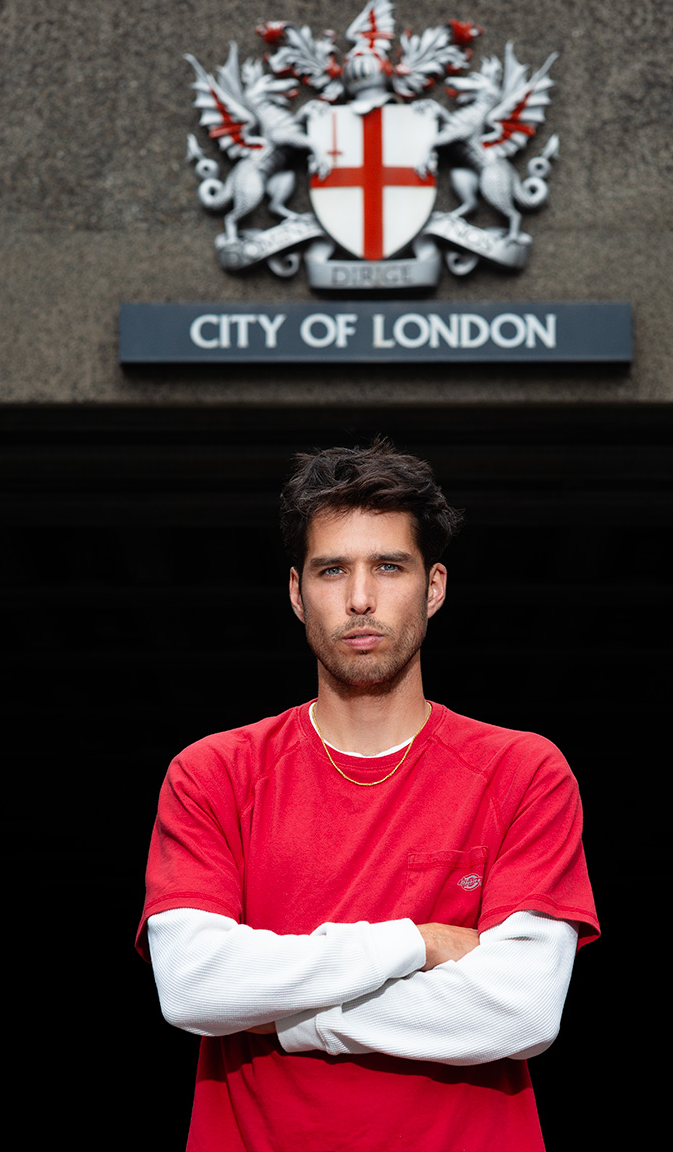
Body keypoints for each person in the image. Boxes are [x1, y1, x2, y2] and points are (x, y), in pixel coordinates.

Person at [137, 438, 599, 1152]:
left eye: (388, 566)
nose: (360, 597)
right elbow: (196, 988)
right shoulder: (212, 773)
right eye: (332, 569)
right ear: (297, 593)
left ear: (434, 587)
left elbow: (519, 1011)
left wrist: (284, 1014)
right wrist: (415, 941)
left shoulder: (523, 772)